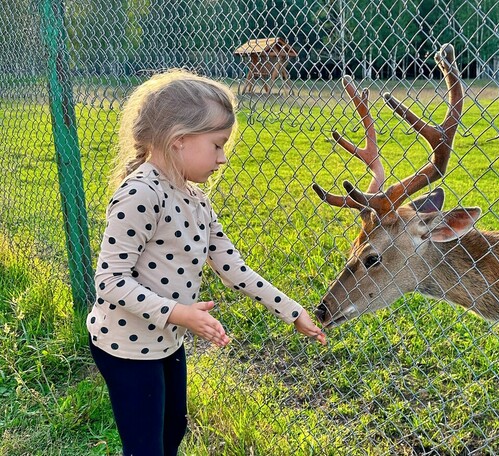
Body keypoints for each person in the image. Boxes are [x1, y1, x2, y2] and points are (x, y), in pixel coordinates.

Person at [87, 68, 326, 456]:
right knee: (146, 446)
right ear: (180, 140)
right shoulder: (141, 195)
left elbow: (233, 267)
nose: (223, 158)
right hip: (124, 347)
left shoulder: (195, 197)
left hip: (164, 340)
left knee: (173, 429)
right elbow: (109, 281)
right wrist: (180, 313)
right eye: (217, 145)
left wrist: (292, 311)